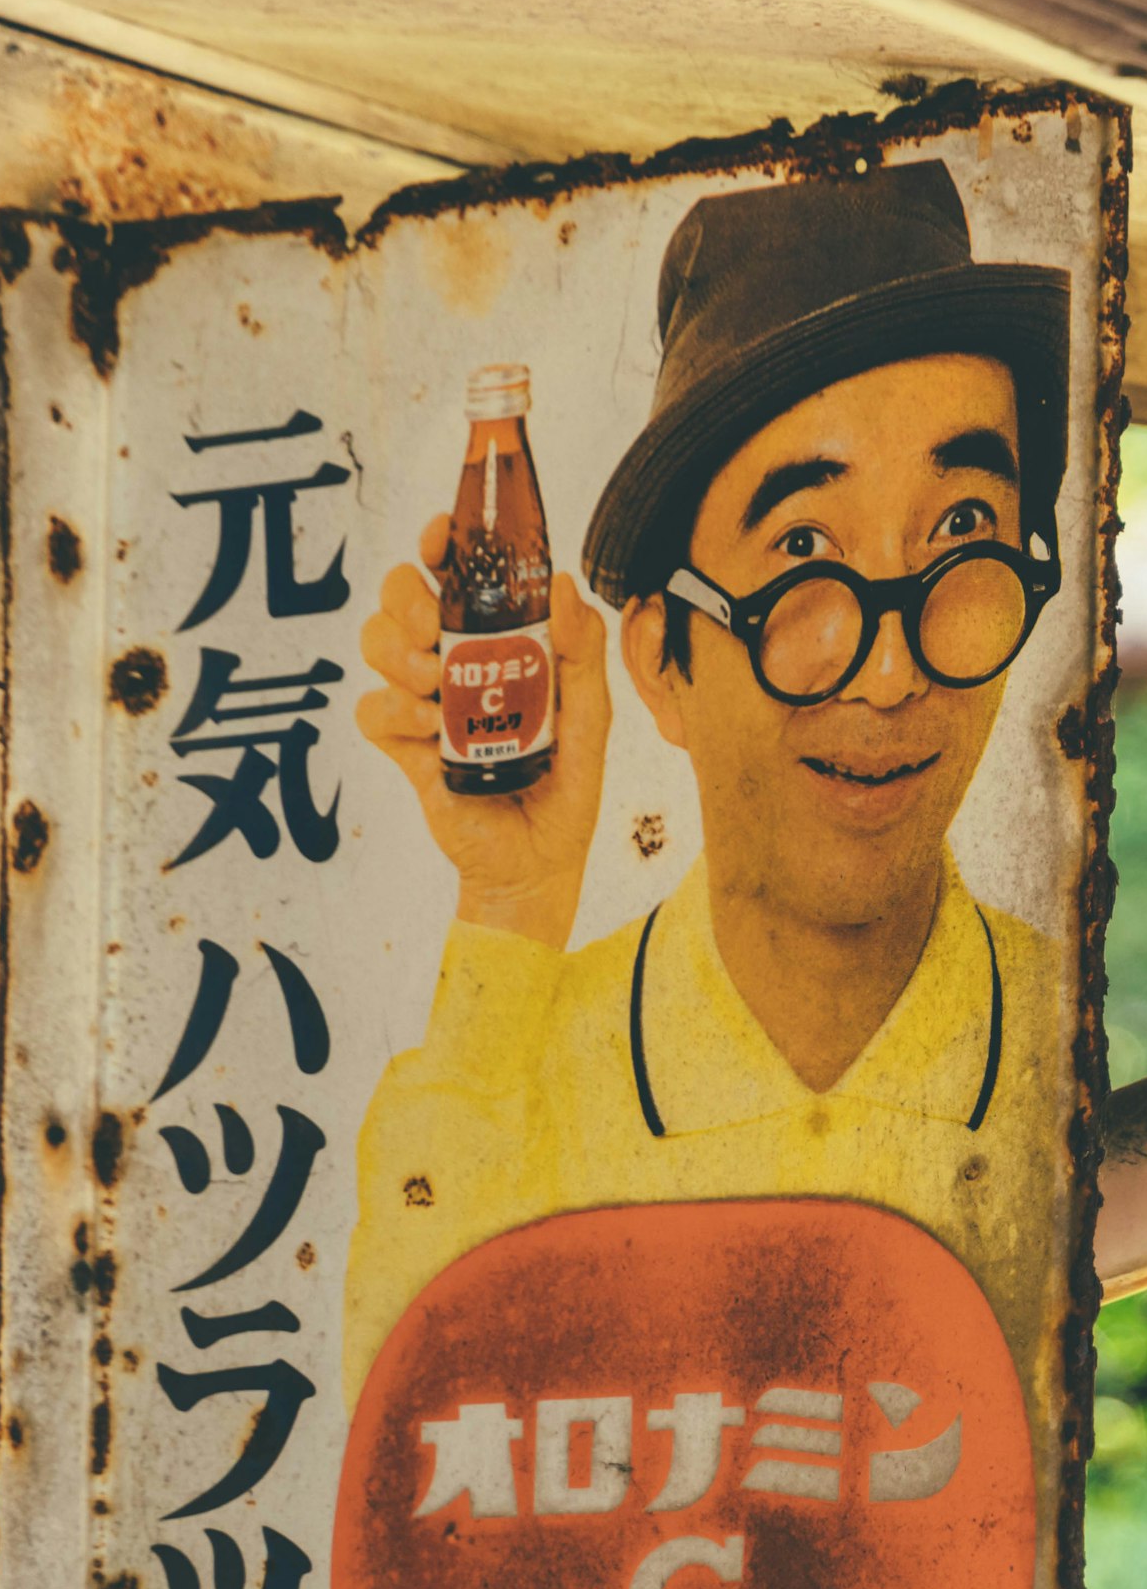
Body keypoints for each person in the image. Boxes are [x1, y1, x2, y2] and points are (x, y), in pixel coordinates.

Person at [341, 160, 1077, 1402]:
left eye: (961, 533)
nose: (892, 673)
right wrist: (512, 903)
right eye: (803, 552)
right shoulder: (528, 1067)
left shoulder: (1077, 1039)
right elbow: (404, 1458)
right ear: (664, 663)